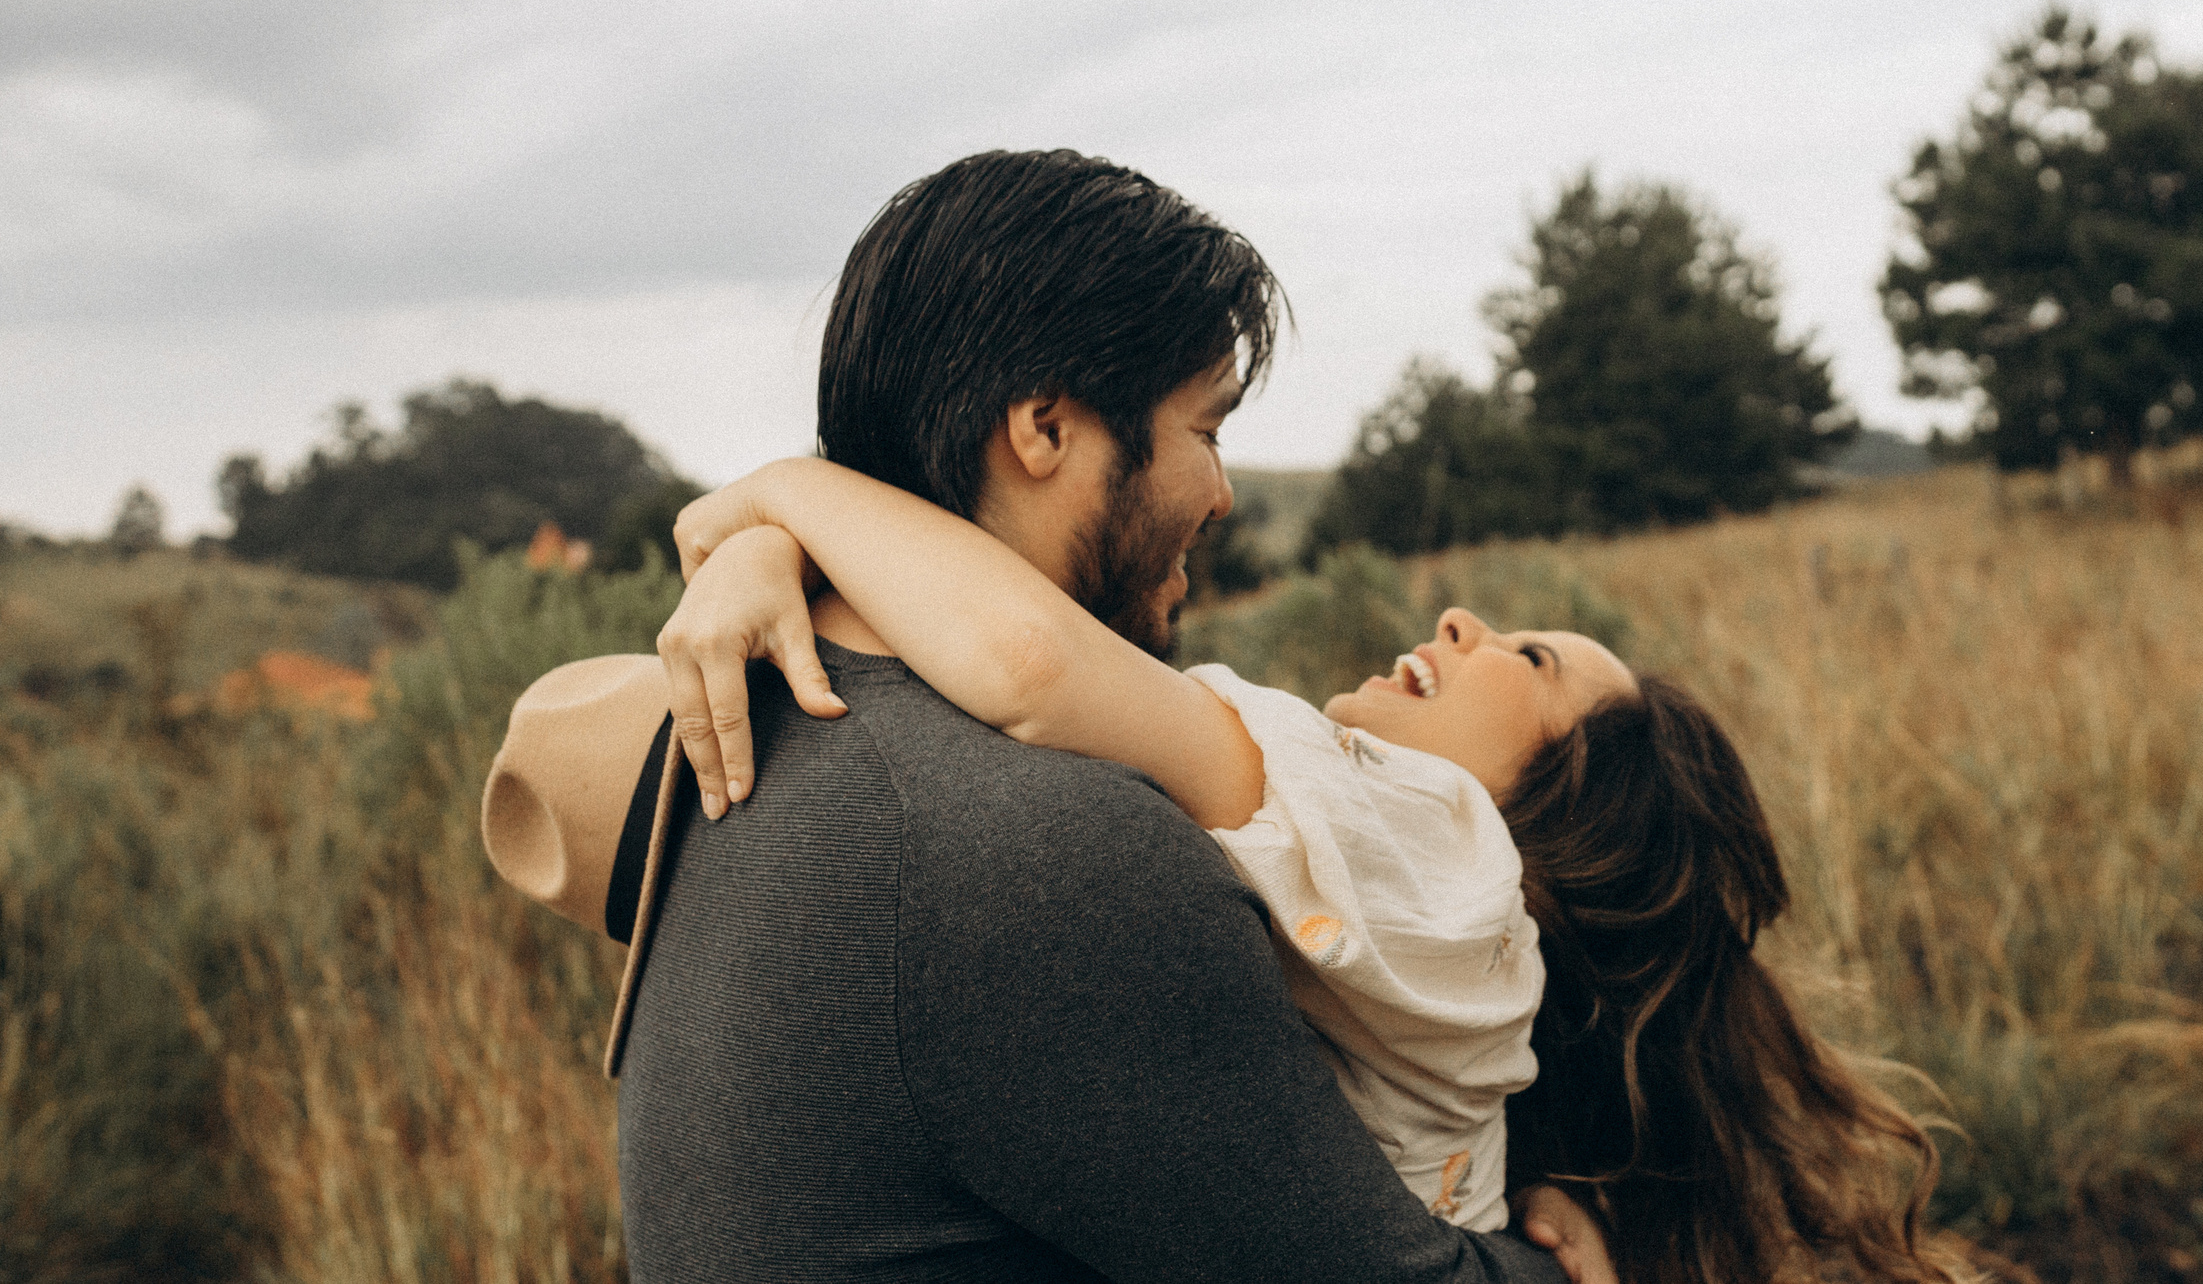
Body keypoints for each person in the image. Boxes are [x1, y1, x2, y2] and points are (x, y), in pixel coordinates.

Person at [482, 150, 1597, 1284]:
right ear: (1046, 428)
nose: (1219, 494)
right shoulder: (1046, 849)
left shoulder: (788, 740)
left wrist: (779, 516)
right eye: (1205, 430)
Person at [656, 457, 1978, 1284]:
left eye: (1527, 659)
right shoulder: (1444, 907)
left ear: (1553, 830)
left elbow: (1036, 667)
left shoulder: (1433, 846)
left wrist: (781, 497)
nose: (1462, 619)